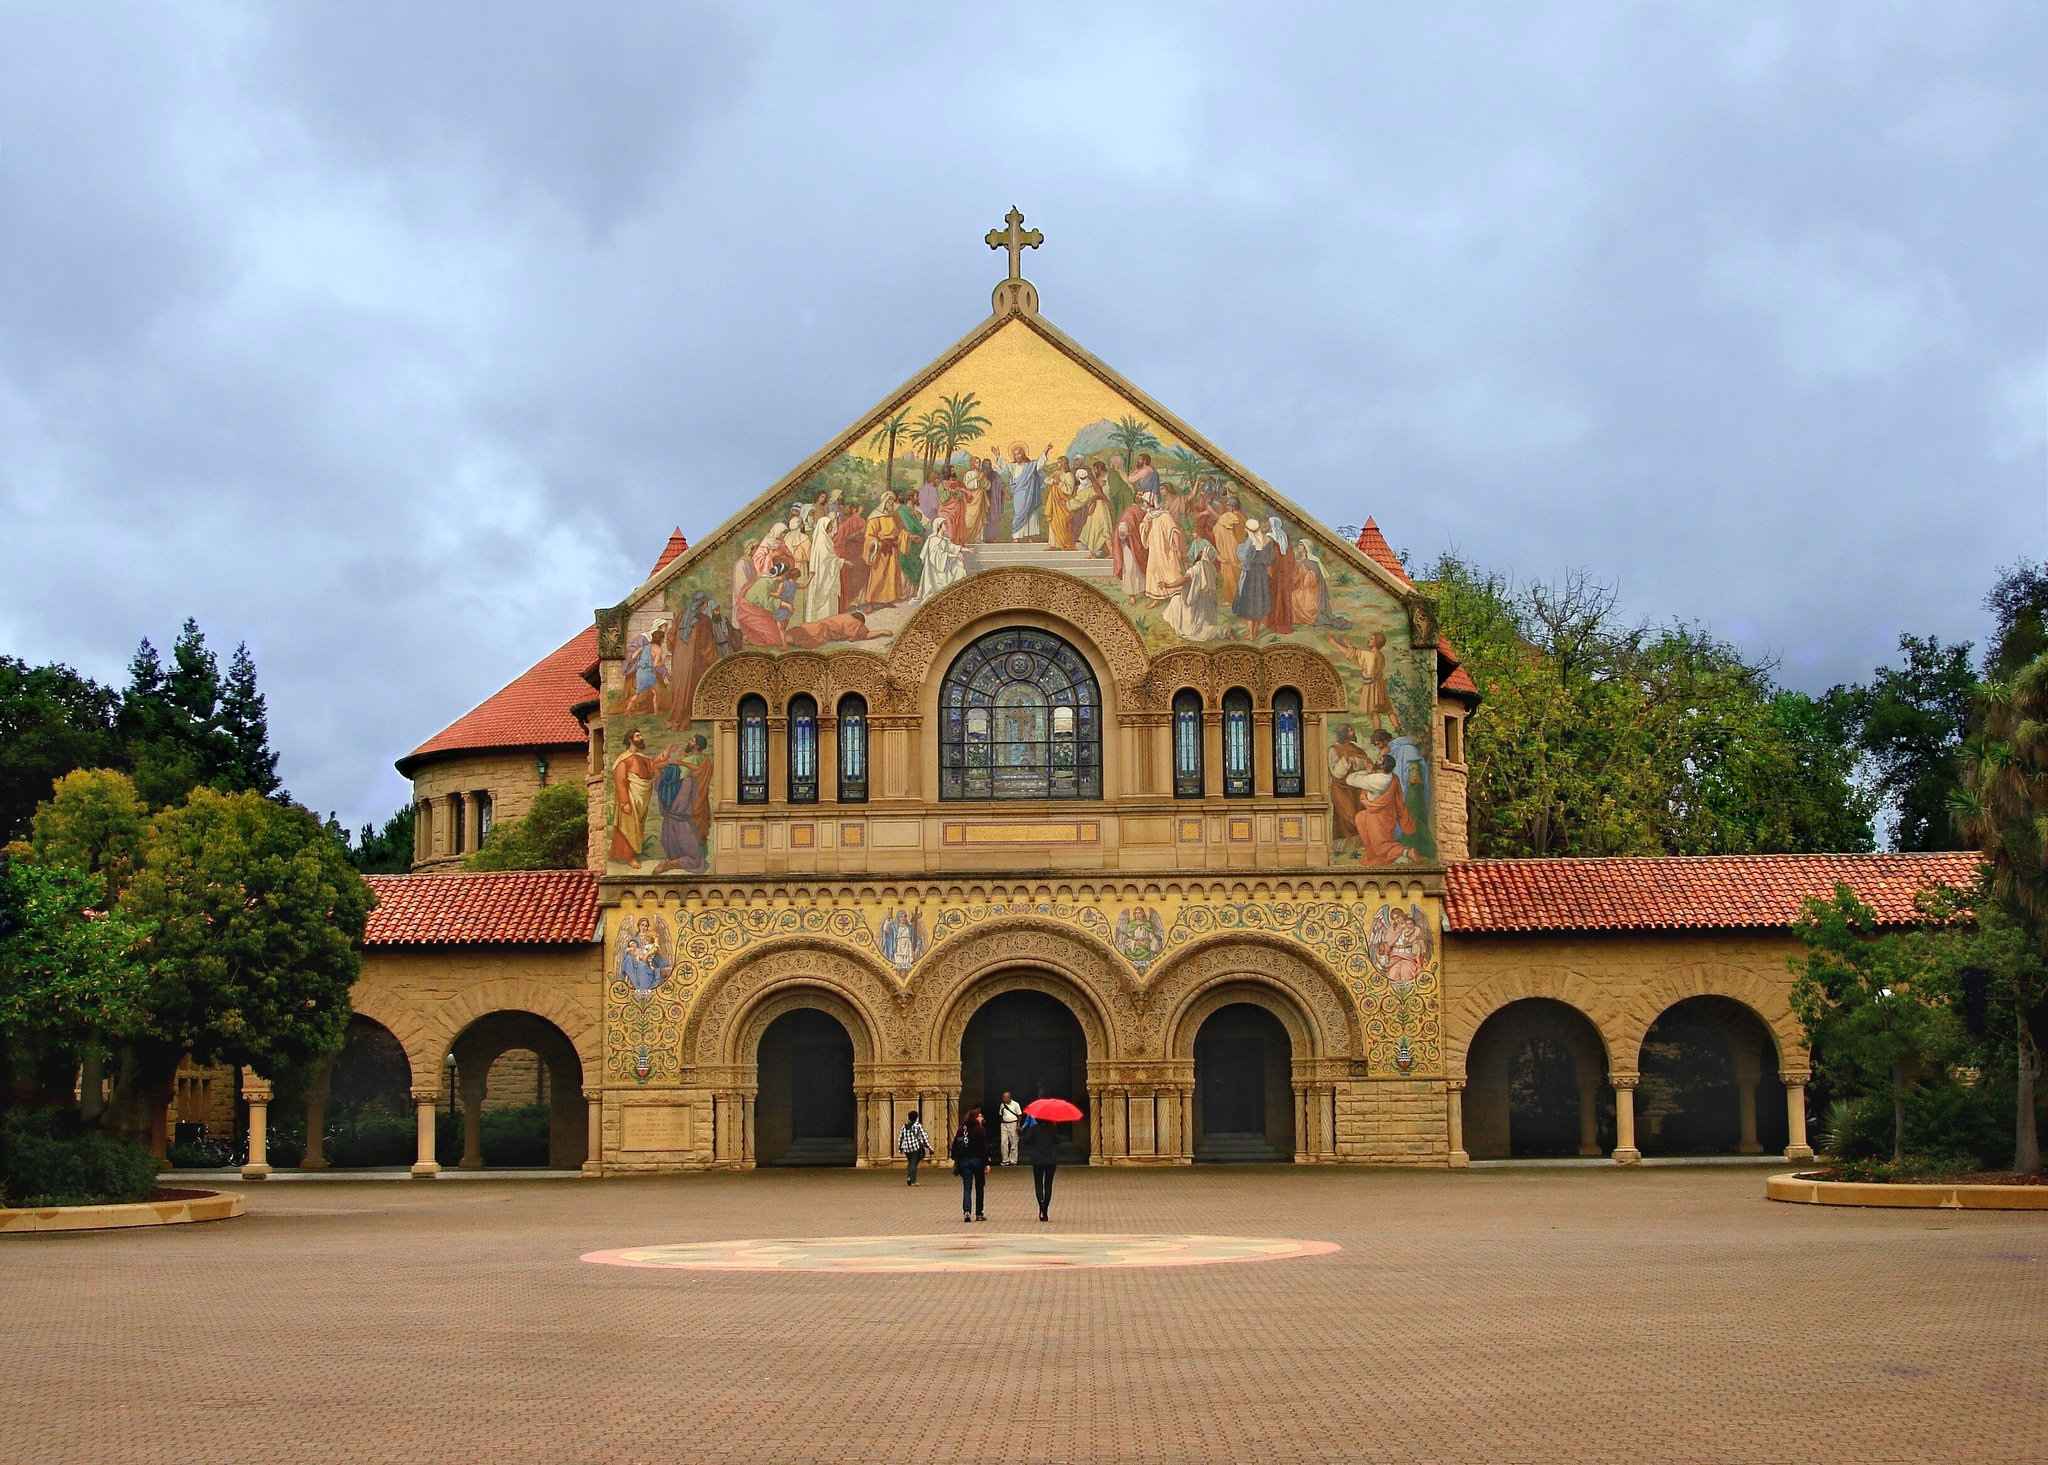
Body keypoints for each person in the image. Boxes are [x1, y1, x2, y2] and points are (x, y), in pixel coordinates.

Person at [950, 1107, 991, 1221]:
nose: (981, 1117)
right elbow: (984, 1148)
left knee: (967, 1187)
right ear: (975, 1118)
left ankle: (967, 1211)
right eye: (979, 1116)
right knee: (979, 1187)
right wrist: (987, 1163)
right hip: (978, 1162)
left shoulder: (962, 1129)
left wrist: (956, 1158)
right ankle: (979, 1213)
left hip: (965, 1162)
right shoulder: (980, 1130)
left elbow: (954, 1146)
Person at [1021, 1113, 1061, 1222]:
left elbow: (1026, 1141)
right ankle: (1045, 1207)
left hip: (1037, 1159)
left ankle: (1041, 1207)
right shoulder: (1052, 1129)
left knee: (1038, 1184)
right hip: (1051, 1160)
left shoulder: (1034, 1129)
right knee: (1048, 1184)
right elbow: (1058, 1141)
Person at [897, 1109, 934, 1186]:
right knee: (914, 1163)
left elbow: (901, 1138)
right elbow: (923, 1137)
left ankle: (909, 1177)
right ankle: (912, 1180)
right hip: (915, 1147)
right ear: (916, 1117)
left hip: (906, 1148)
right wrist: (929, 1147)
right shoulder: (917, 1126)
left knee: (910, 1163)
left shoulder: (904, 1127)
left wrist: (900, 1148)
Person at [997, 1091, 1023, 1166]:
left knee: (1014, 1142)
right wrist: (1002, 1123)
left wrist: (1018, 1125)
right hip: (1004, 1124)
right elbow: (1000, 1115)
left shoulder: (1015, 1104)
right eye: (1003, 1097)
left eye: (1005, 1097)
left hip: (1013, 1123)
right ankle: (1005, 1159)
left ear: (1009, 1097)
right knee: (1003, 1142)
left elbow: (1019, 1115)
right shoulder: (1002, 1105)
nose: (1004, 1099)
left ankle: (1013, 1160)